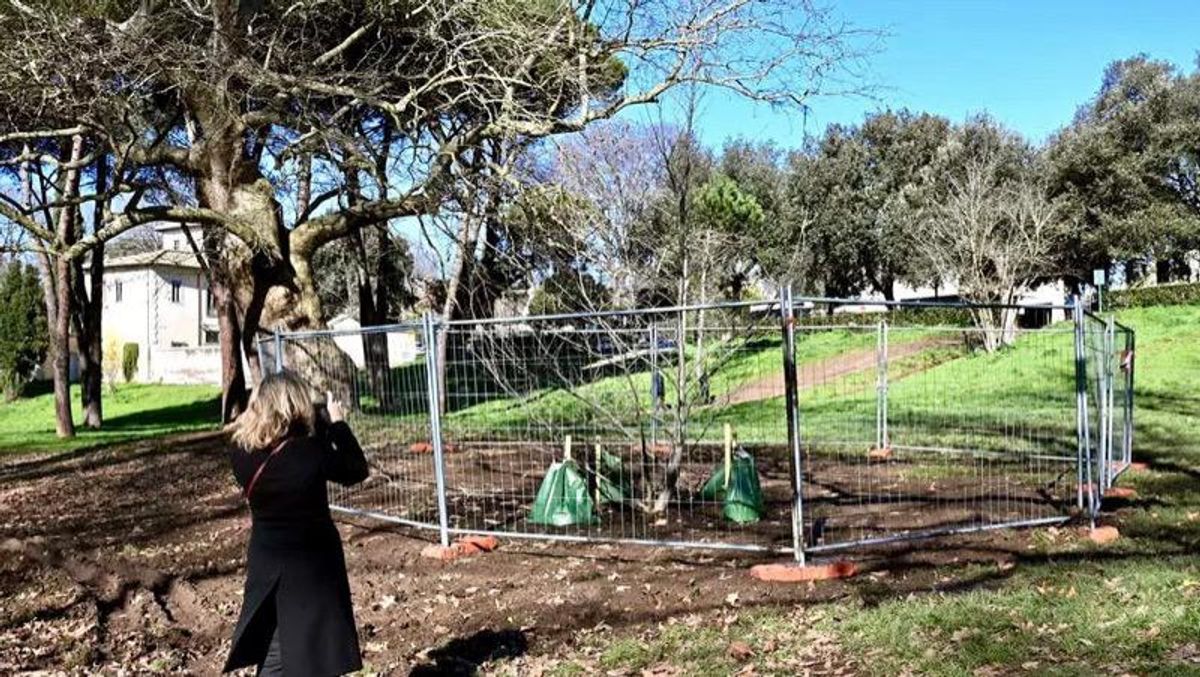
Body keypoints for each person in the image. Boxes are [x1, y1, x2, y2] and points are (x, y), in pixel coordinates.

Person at [223, 371, 369, 676]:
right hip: (312, 563)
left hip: (267, 559)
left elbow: (263, 443)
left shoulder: (240, 452)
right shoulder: (310, 453)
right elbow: (355, 469)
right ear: (296, 405)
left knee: (278, 645)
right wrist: (336, 424)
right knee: (314, 647)